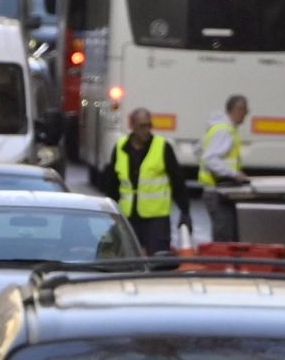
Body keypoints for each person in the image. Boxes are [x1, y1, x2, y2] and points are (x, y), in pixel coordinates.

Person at [105, 107, 191, 256]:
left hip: (156, 220)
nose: (146, 130)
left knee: (158, 261)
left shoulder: (163, 147)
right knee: (128, 260)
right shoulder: (120, 147)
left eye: (149, 125)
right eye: (142, 126)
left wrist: (185, 211)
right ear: (132, 125)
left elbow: (178, 182)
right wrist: (109, 211)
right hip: (129, 217)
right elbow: (112, 184)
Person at [198, 93, 251, 243]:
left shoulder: (221, 128)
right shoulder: (224, 131)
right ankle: (222, 265)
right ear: (237, 110)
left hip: (218, 190)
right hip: (217, 191)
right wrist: (234, 173)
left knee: (225, 234)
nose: (246, 116)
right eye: (246, 111)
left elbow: (200, 150)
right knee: (224, 237)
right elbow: (210, 159)